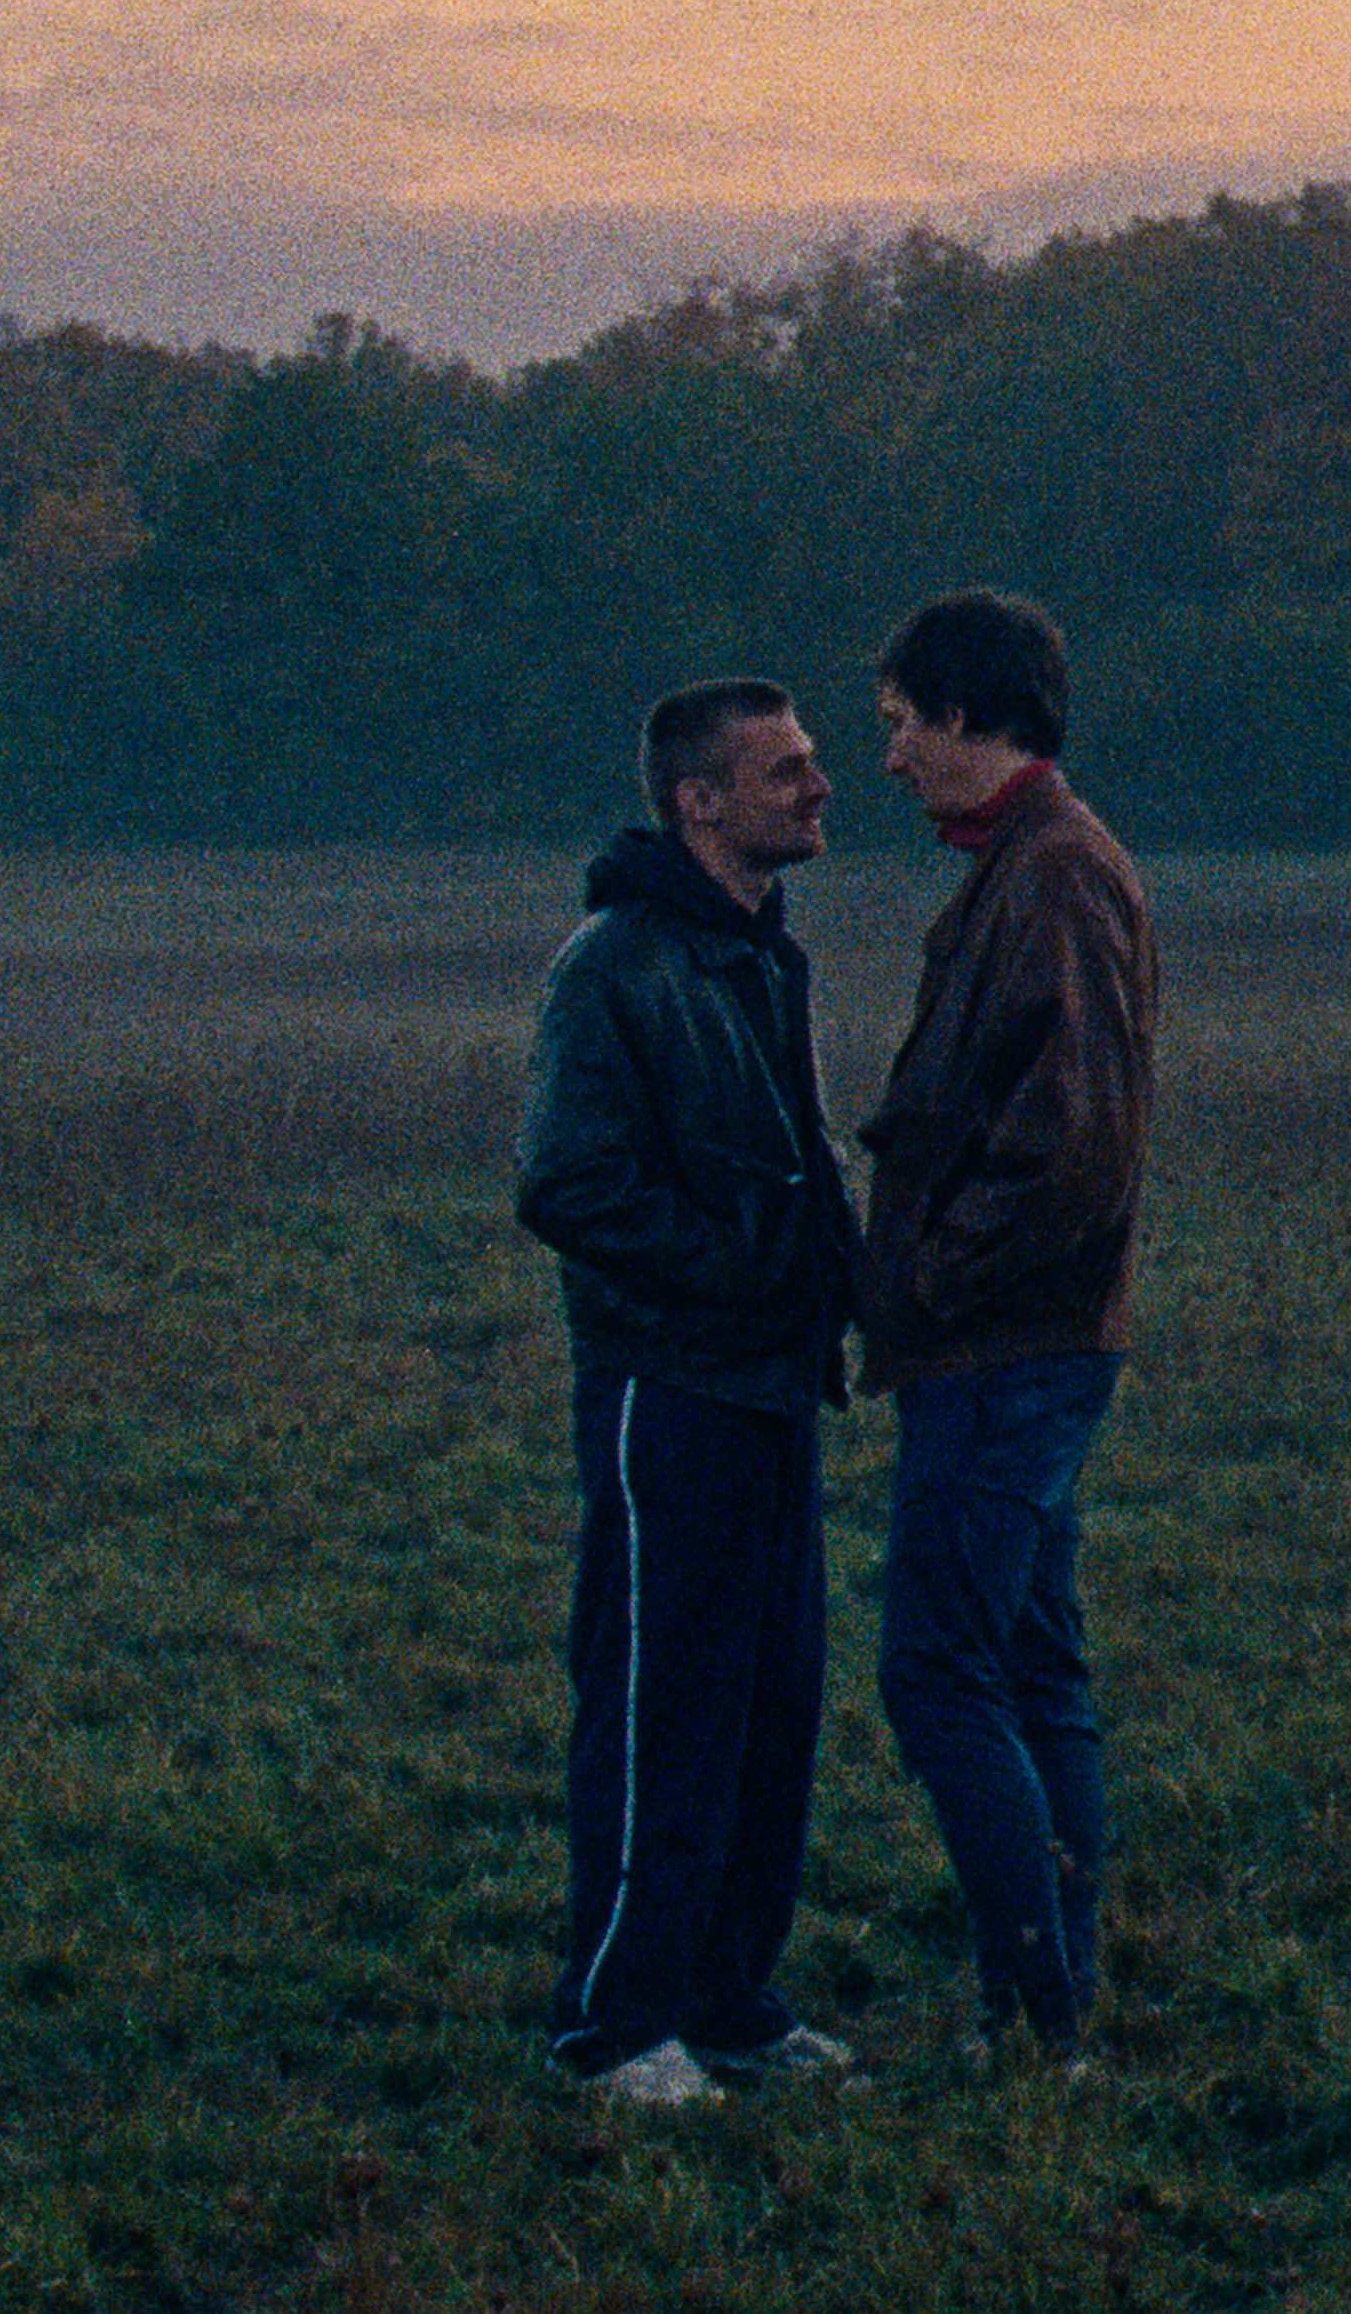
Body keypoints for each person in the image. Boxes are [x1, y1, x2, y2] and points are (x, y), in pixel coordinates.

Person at [513, 679, 866, 2107]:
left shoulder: (760, 954)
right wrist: (739, 1275)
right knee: (662, 1707)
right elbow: (567, 1182)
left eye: (814, 762)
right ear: (697, 802)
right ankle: (615, 2028)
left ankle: (730, 2007)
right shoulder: (615, 966)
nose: (821, 787)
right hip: (671, 1392)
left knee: (771, 1707)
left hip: (772, 1388)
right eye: (785, 771)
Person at [855, 590, 1157, 2060]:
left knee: (938, 1673)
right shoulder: (1025, 865)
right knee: (1033, 1666)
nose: (892, 756)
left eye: (904, 722)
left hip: (1005, 1355)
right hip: (1020, 1347)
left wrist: (928, 1280)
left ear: (970, 715)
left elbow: (1071, 1144)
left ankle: (1033, 2013)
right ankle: (1053, 2005)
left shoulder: (1055, 875)